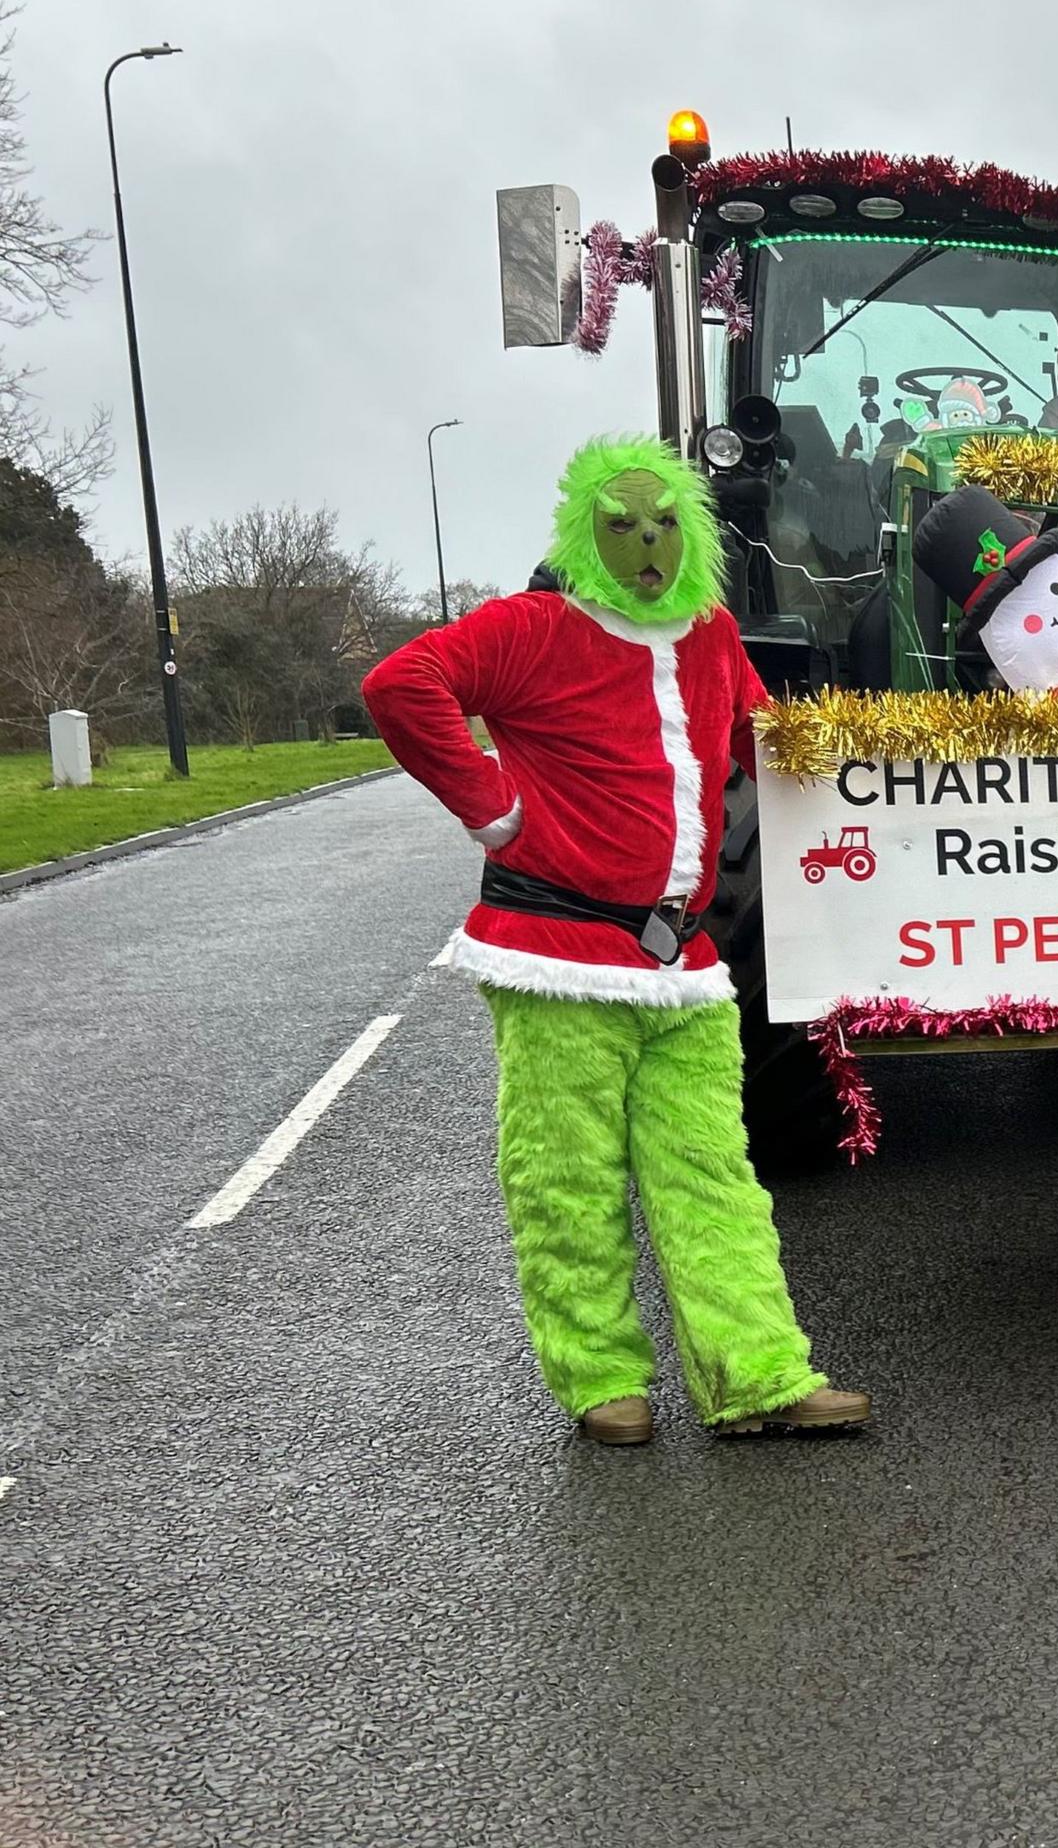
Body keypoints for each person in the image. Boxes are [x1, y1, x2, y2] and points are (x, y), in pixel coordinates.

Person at [361, 435, 872, 1444]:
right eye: (624, 525)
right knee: (567, 1181)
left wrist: (881, 771)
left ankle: (757, 1376)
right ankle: (600, 1384)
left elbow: (758, 742)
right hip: (553, 957)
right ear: (586, 532)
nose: (647, 544)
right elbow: (399, 688)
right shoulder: (532, 629)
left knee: (711, 1173)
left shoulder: (711, 634)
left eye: (665, 523)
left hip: (680, 965)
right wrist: (491, 808)